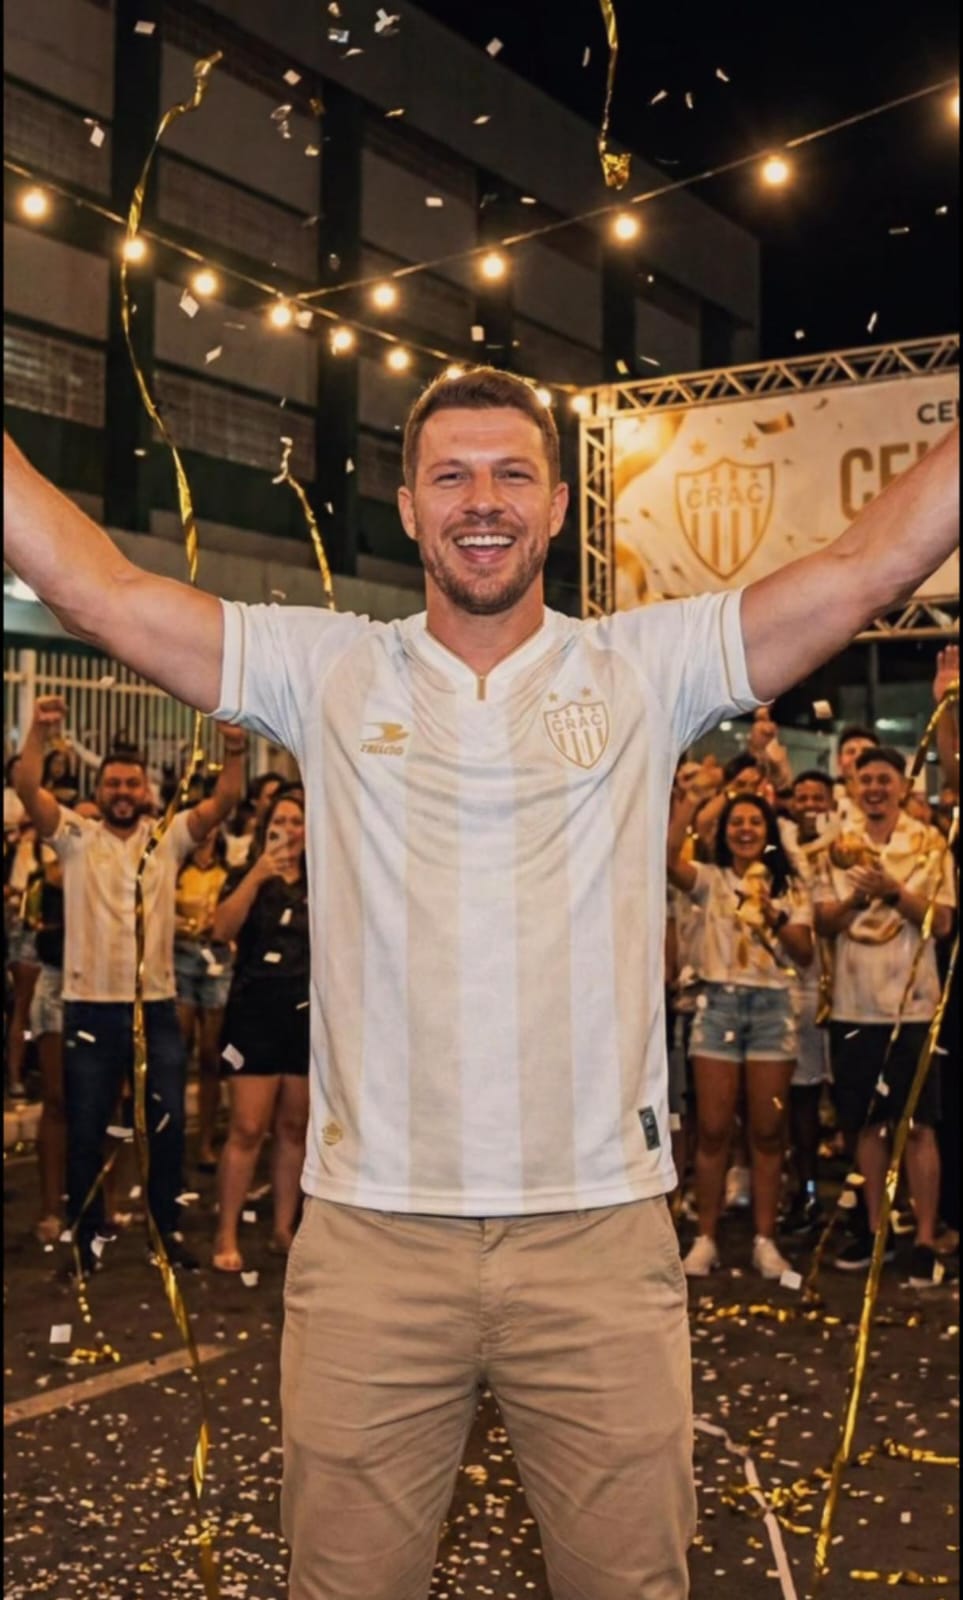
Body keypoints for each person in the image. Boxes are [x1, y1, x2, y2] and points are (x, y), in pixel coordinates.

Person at [4, 377, 958, 1599]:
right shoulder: (328, 667)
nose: (483, 501)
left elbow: (868, 568)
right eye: (450, 475)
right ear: (408, 507)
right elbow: (100, 589)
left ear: (557, 506)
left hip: (599, 1237)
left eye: (513, 474)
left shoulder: (644, 665)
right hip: (372, 1241)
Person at [14, 695, 247, 1275]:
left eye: (131, 783)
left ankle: (166, 1236)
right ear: (100, 789)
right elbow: (27, 787)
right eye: (113, 783)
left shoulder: (168, 837)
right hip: (89, 1008)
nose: (122, 791)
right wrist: (39, 732)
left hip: (156, 1011)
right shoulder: (74, 837)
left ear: (147, 791)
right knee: (86, 1130)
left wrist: (235, 749)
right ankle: (85, 1244)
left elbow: (225, 800)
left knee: (166, 1128)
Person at [814, 746, 956, 1286]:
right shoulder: (836, 845)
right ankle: (876, 1232)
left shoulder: (929, 842)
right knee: (867, 1124)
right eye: (865, 779)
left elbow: (943, 922)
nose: (874, 788)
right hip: (854, 1004)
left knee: (918, 1125)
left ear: (902, 786)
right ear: (853, 787)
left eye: (884, 779)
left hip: (914, 1006)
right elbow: (823, 922)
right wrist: (856, 900)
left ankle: (924, 1239)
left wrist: (893, 892)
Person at [668, 790, 814, 1277]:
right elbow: (667, 860)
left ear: (769, 831)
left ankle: (765, 1240)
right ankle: (705, 1238)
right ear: (725, 832)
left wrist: (774, 913)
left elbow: (805, 952)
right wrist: (690, 804)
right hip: (718, 1006)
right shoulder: (710, 880)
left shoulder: (790, 886)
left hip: (773, 1008)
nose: (746, 830)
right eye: (737, 822)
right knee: (712, 1129)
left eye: (755, 822)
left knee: (768, 1131)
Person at [211, 786, 310, 1271]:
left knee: (294, 1127)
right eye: (280, 822)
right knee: (248, 1127)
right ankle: (226, 1232)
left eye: (297, 822)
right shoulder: (245, 875)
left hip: (305, 1015)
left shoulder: (323, 881)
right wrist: (256, 875)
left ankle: (283, 1228)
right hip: (253, 1014)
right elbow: (220, 930)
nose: (288, 831)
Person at [781, 769, 838, 1235]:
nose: (808, 805)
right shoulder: (779, 847)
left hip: (851, 990)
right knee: (801, 1097)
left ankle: (863, 1202)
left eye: (817, 797)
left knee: (850, 1099)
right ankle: (807, 1191)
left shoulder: (847, 842)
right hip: (797, 989)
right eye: (801, 797)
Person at [174, 823, 233, 1172]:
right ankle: (175, 1137)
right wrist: (187, 925)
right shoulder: (177, 869)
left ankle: (206, 1141)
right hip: (182, 955)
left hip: (218, 958)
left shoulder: (227, 872)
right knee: (178, 1050)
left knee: (211, 1054)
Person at [835, 723, 881, 827]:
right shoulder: (827, 800)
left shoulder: (894, 800)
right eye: (851, 752)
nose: (859, 757)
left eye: (867, 751)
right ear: (839, 761)